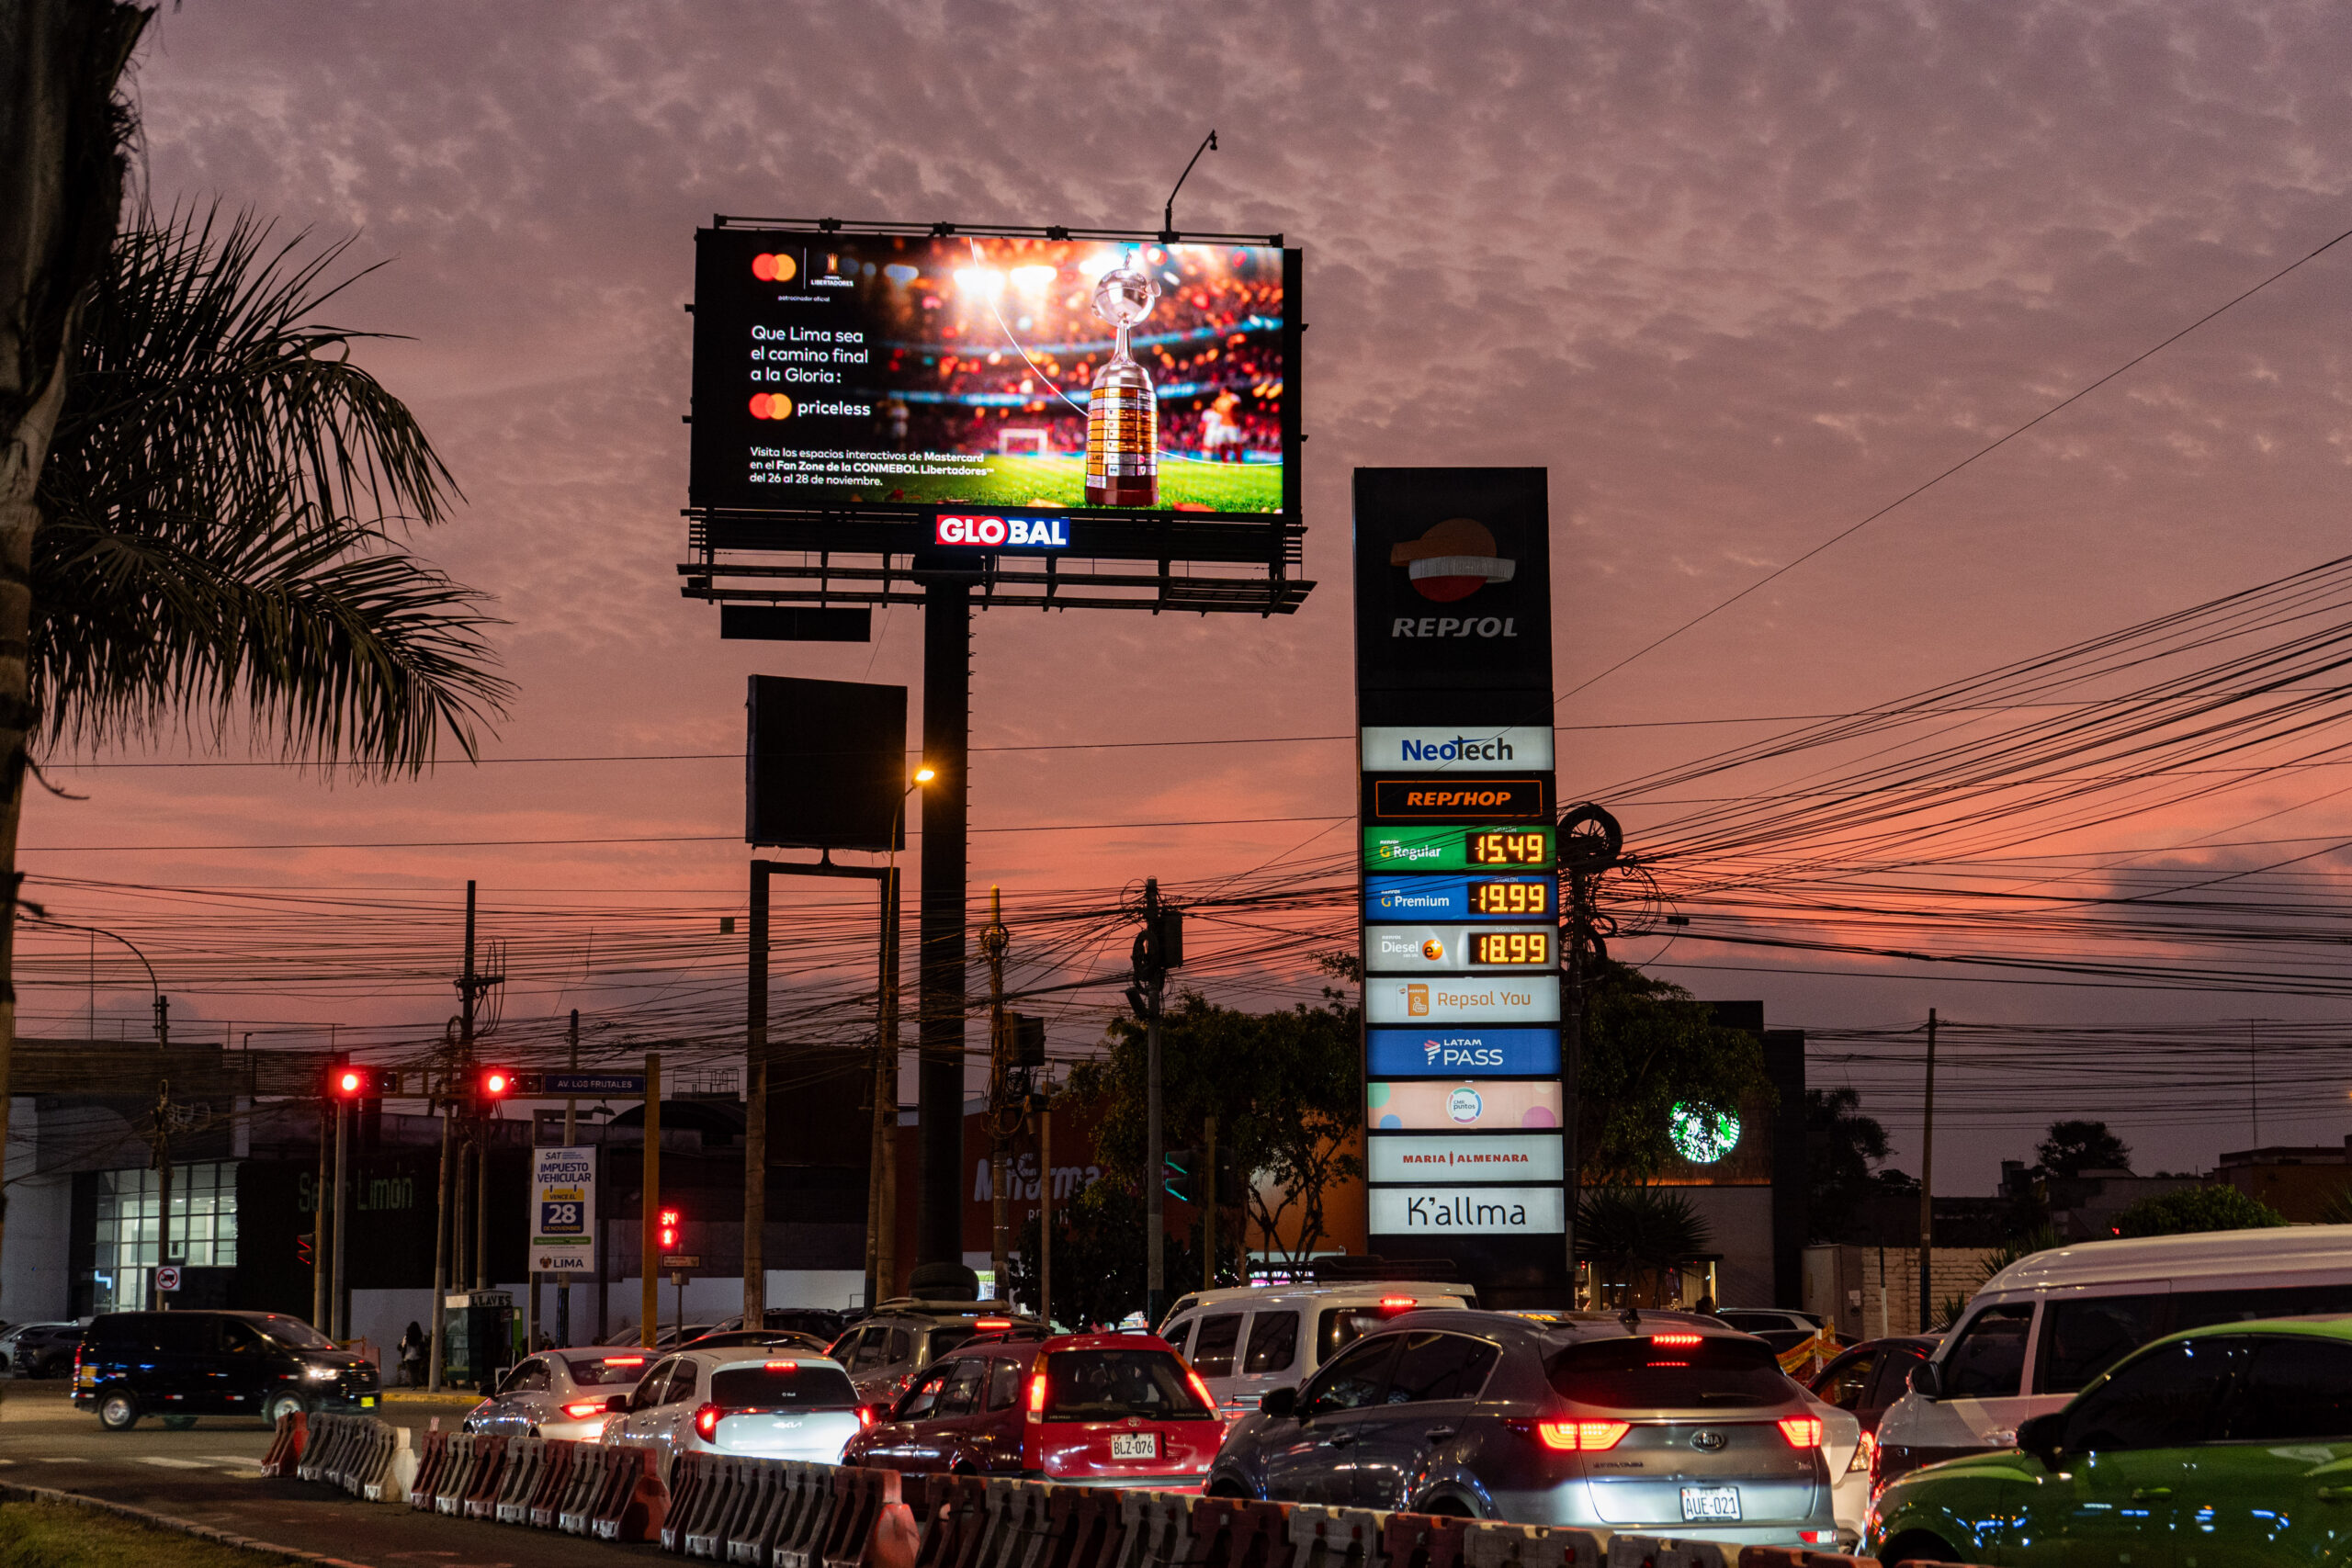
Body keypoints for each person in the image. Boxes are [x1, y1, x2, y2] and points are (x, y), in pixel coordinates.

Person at [397, 1320, 427, 1387]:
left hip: (408, 1357)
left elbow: (403, 1345)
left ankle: (413, 1385)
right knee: (416, 1371)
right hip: (417, 1356)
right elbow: (423, 1345)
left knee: (411, 1372)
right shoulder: (420, 1336)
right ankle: (415, 1383)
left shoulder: (406, 1337)